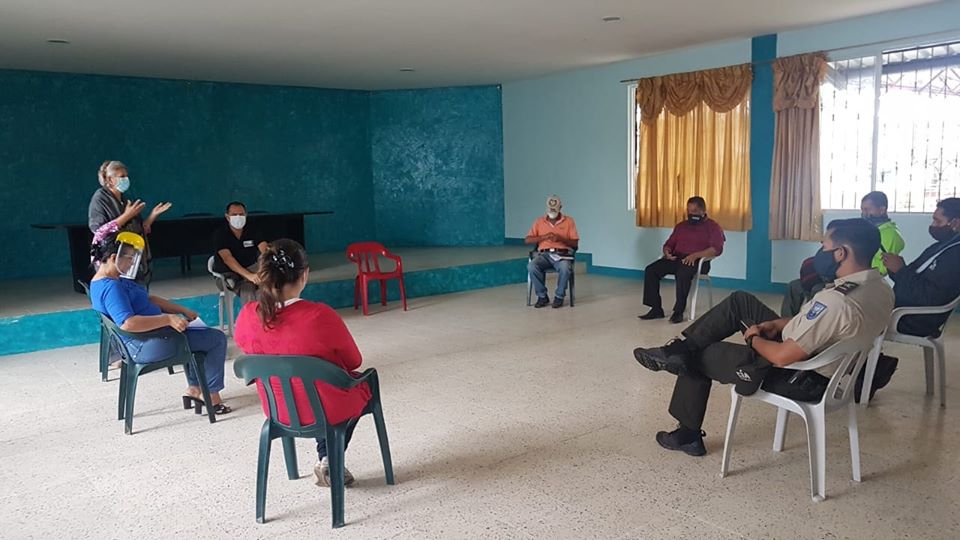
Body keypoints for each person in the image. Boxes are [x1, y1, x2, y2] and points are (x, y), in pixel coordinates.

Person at [633, 218, 892, 456]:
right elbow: (824, 326)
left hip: (800, 375)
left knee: (701, 354)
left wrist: (753, 339)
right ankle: (678, 349)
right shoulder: (880, 288)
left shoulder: (836, 302)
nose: (819, 252)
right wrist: (777, 324)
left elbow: (782, 357)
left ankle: (687, 433)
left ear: (840, 253)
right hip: (818, 355)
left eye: (824, 246)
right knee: (740, 301)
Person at [234, 239, 372, 487]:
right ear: (304, 274)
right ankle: (328, 458)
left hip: (278, 409)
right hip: (325, 408)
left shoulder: (247, 315)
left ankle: (327, 458)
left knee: (321, 394)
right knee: (363, 384)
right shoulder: (319, 315)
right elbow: (354, 361)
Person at [89, 232, 231, 414]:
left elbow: (149, 299)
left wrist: (181, 310)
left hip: (147, 338)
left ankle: (194, 389)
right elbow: (128, 323)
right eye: (129, 258)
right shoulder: (112, 288)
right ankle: (211, 397)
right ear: (113, 258)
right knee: (216, 339)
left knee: (196, 335)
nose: (132, 263)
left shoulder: (112, 279)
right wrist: (167, 319)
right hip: (144, 345)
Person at [781, 192, 905, 317]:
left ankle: (810, 320)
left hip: (855, 279)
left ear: (882, 210)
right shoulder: (863, 229)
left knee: (818, 290)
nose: (864, 213)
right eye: (862, 209)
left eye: (867, 209)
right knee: (794, 286)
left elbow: (882, 269)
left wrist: (844, 272)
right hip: (839, 272)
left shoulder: (891, 235)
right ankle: (789, 323)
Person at [640, 196, 725, 323]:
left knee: (682, 273)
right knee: (651, 270)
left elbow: (716, 249)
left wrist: (695, 255)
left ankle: (678, 312)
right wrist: (667, 252)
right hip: (677, 258)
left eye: (694, 211)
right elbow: (669, 244)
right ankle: (656, 309)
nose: (691, 214)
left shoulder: (713, 227)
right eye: (689, 211)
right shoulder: (681, 226)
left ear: (703, 211)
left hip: (698, 261)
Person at [88, 160, 172, 286]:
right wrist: (127, 215)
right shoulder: (100, 198)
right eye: (122, 176)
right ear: (110, 180)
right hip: (112, 260)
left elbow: (137, 230)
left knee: (137, 293)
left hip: (131, 258)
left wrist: (152, 216)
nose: (126, 180)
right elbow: (99, 231)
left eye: (126, 176)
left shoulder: (125, 200)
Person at [525, 195, 579, 308]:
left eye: (554, 209)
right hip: (544, 255)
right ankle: (542, 296)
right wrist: (543, 237)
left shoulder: (569, 221)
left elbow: (575, 244)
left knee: (565, 267)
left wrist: (560, 239)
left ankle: (559, 297)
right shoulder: (539, 221)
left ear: (560, 207)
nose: (552, 212)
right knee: (532, 266)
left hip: (562, 255)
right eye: (550, 209)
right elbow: (527, 240)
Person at [212, 201, 268, 305]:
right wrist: (248, 275)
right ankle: (251, 314)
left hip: (251, 270)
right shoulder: (220, 234)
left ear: (246, 215)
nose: (238, 217)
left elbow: (264, 248)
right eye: (234, 214)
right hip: (227, 274)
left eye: (241, 214)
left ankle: (268, 313)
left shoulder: (252, 230)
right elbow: (228, 259)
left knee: (267, 284)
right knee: (247, 288)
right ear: (227, 217)